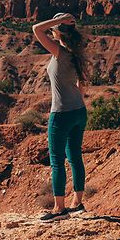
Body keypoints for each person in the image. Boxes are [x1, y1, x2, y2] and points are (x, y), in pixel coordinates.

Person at [32, 12, 88, 221]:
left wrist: (58, 21)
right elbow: (82, 84)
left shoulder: (60, 51)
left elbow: (36, 29)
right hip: (79, 111)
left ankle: (59, 209)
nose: (51, 31)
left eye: (54, 29)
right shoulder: (76, 53)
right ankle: (77, 203)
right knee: (75, 156)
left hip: (62, 114)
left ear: (58, 31)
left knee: (57, 161)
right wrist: (77, 101)